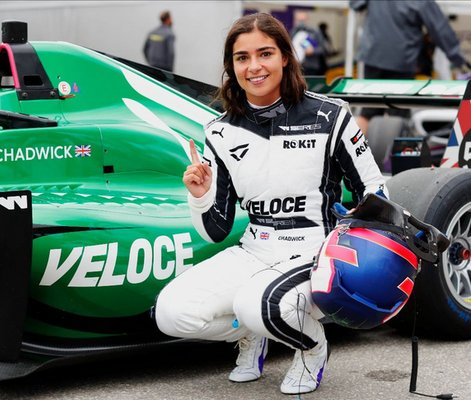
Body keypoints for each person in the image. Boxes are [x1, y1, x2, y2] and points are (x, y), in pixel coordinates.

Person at [154, 12, 386, 395]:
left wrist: (357, 255)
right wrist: (201, 196)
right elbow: (215, 231)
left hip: (315, 250)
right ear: (231, 66)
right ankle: (252, 333)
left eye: (265, 54)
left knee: (258, 304)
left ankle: (312, 348)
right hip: (255, 250)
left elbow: (374, 192)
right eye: (242, 58)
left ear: (285, 58)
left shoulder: (330, 116)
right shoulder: (220, 131)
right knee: (171, 312)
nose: (254, 66)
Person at [349, 0, 469, 134]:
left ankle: (353, 146)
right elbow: (440, 29)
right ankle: (392, 146)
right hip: (401, 60)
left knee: (368, 111)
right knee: (397, 113)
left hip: (373, 56)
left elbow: (355, 4)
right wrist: (460, 61)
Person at [290, 10, 326, 76]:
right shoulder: (292, 32)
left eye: (303, 20)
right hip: (295, 67)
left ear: (307, 19)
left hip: (311, 67)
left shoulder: (315, 32)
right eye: (299, 20)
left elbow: (323, 49)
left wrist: (313, 51)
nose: (301, 23)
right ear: (295, 20)